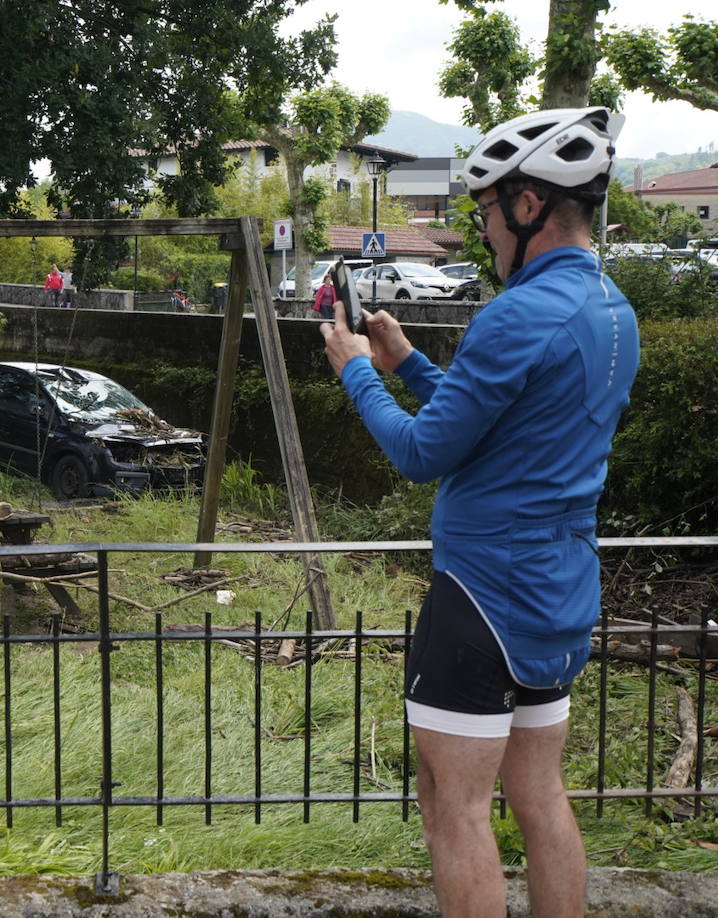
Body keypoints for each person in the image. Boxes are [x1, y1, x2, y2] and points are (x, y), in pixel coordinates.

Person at [320, 107, 639, 917]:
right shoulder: (611, 310)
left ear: (529, 206)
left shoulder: (516, 313)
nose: (487, 232)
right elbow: (504, 422)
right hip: (560, 587)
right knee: (540, 795)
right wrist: (410, 363)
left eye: (489, 213)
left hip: (483, 594)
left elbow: (424, 453)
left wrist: (359, 370)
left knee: (453, 809)